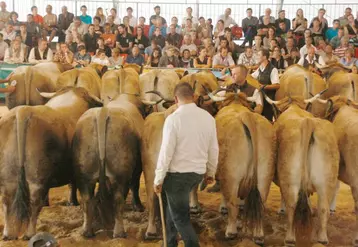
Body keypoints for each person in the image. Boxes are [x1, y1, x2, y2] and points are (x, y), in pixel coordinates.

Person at [153, 82, 218, 247]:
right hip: (196, 174)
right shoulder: (208, 118)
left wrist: (158, 178)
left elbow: (166, 151)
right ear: (194, 97)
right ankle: (169, 243)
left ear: (175, 99)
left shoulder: (173, 119)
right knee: (172, 208)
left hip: (177, 176)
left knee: (180, 218)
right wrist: (211, 172)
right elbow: (213, 148)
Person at [251, 48, 280, 121]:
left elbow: (277, 85)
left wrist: (264, 86)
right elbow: (252, 76)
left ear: (264, 57)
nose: (257, 57)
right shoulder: (260, 68)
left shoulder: (273, 69)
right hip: (259, 99)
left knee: (268, 121)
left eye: (258, 55)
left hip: (268, 100)